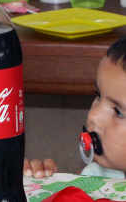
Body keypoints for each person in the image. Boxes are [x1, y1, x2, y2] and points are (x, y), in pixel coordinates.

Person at [24, 35, 126, 179]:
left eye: (118, 112)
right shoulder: (97, 176)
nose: (93, 115)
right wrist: (43, 182)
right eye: (98, 95)